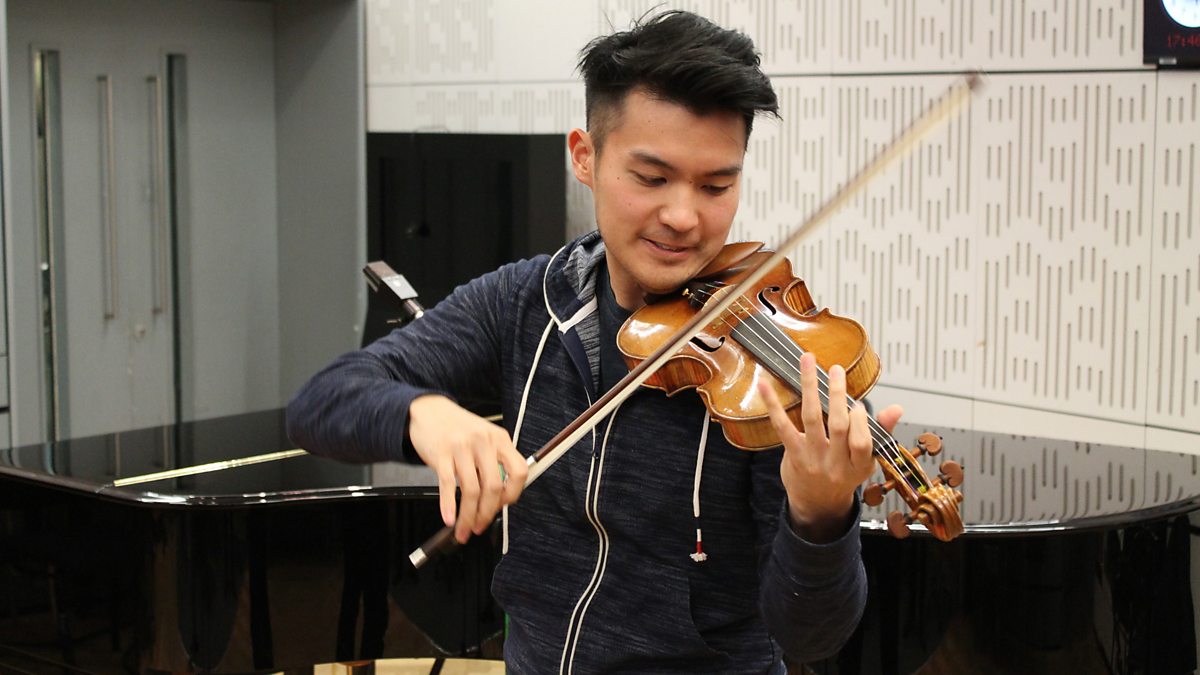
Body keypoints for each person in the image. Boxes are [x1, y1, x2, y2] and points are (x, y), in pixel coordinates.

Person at [287, 10, 903, 673]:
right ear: (585, 156)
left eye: (716, 185)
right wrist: (423, 413)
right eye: (651, 178)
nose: (683, 216)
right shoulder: (523, 302)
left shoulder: (780, 379)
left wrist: (819, 516)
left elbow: (813, 637)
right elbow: (321, 402)